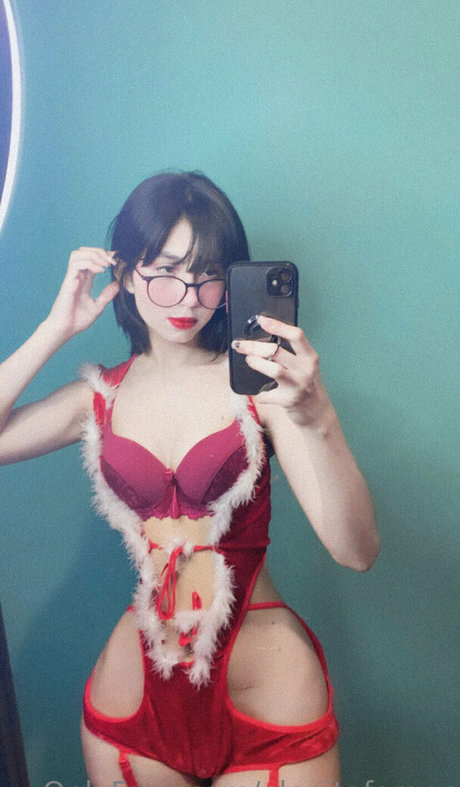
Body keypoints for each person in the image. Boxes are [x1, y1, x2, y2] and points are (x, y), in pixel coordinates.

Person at [0, 171, 379, 787]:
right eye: (166, 271)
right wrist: (54, 329)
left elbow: (356, 552)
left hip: (266, 684)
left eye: (209, 276)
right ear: (126, 275)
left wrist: (319, 416)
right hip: (134, 691)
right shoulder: (97, 397)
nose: (188, 298)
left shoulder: (265, 392)